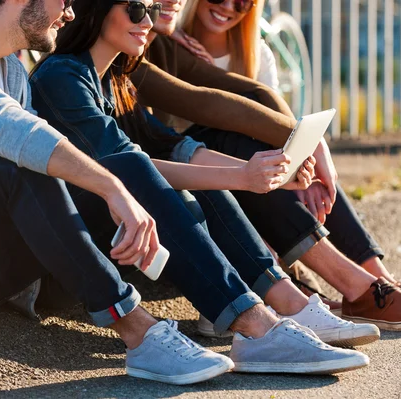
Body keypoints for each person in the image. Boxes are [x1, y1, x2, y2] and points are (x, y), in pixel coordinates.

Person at [0, 0, 370, 385]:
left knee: (128, 164)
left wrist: (123, 182)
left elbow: (191, 117)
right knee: (25, 164)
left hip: (6, 271)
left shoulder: (11, 70)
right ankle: (141, 334)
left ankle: (255, 319)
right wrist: (113, 188)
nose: (70, 12)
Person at [29, 0, 381, 349]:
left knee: (198, 176)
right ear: (98, 9)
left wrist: (274, 175)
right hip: (67, 263)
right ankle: (254, 320)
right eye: (137, 10)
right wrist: (243, 176)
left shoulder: (114, 81)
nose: (148, 22)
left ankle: (287, 302)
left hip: (120, 242)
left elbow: (171, 146)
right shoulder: (62, 77)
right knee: (167, 179)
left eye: (151, 12)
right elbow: (129, 168)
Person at [128, 0, 401, 331]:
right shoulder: (131, 51)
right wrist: (298, 145)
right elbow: (202, 103)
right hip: (152, 188)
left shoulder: (168, 43)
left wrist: (309, 146)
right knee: (236, 142)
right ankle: (345, 289)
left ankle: (374, 281)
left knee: (269, 152)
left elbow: (250, 93)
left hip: (184, 167)